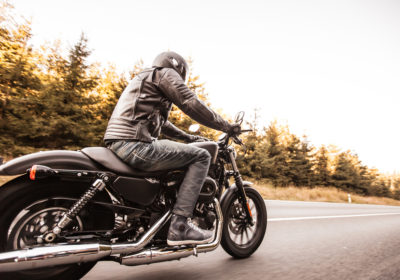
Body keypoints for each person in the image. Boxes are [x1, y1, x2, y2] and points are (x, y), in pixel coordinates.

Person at [104, 51, 236, 246]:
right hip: (135, 143)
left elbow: (162, 125)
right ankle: (180, 225)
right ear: (179, 68)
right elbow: (190, 102)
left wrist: (189, 137)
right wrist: (226, 126)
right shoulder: (165, 73)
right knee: (201, 156)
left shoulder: (146, 79)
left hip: (120, 141)